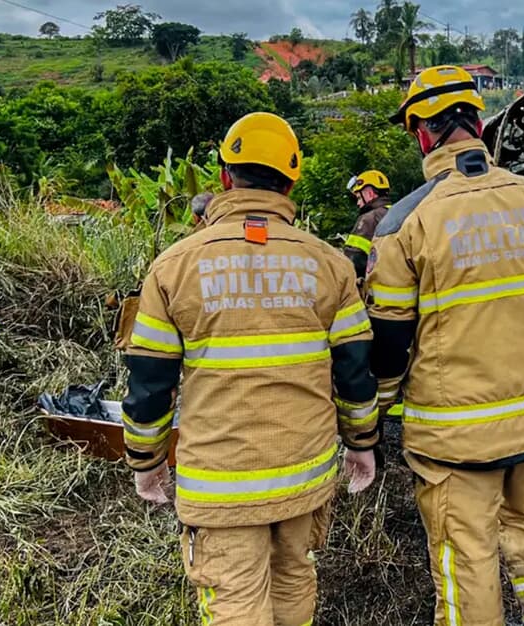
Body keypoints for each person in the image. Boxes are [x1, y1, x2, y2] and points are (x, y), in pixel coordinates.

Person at [122, 112, 380, 626]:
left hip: (221, 486)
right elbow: (356, 373)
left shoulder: (174, 267)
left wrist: (145, 461)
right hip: (304, 475)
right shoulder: (329, 263)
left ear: (224, 177)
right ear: (290, 181)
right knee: (293, 586)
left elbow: (149, 384)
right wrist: (362, 445)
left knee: (236, 604)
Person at [367, 65, 524, 626]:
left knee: (466, 561)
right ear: (478, 123)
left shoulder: (405, 223)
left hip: (455, 437)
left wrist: (376, 411)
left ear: (424, 133)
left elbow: (390, 338)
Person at [342, 170, 392, 285]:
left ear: (369, 193)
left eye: (359, 198)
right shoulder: (397, 212)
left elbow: (354, 258)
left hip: (376, 289)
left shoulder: (369, 219)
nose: (358, 204)